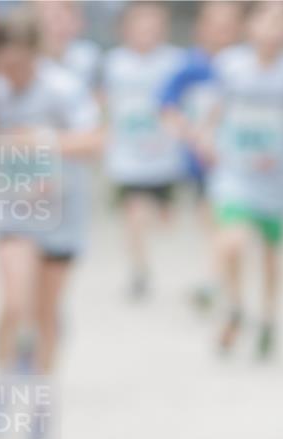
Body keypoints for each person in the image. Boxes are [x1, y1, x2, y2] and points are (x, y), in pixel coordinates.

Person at [200, 0, 283, 359]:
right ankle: (236, 307)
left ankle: (269, 318)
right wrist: (205, 138)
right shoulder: (230, 65)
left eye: (282, 19)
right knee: (230, 243)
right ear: (249, 24)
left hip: (278, 180)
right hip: (235, 175)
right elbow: (214, 106)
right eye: (266, 17)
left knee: (271, 256)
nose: (274, 27)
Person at [0, 9, 102, 377]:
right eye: (5, 64)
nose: (12, 72)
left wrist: (42, 142)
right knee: (15, 301)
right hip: (13, 213)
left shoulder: (63, 89)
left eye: (20, 63)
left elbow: (95, 141)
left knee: (46, 312)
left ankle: (40, 398)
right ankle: (2, 383)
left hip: (62, 215)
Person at [159, 0, 243, 310]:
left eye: (228, 26)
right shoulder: (190, 66)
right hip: (203, 165)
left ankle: (220, 285)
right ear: (201, 28)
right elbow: (166, 106)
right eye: (215, 25)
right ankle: (220, 286)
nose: (222, 33)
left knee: (228, 228)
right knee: (215, 225)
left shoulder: (244, 66)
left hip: (240, 165)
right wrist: (192, 136)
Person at [103, 1, 185, 300]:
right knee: (134, 213)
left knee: (163, 219)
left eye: (153, 26)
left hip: (165, 157)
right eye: (140, 26)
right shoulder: (114, 63)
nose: (147, 33)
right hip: (127, 157)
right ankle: (139, 269)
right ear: (125, 29)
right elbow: (102, 102)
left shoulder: (175, 61)